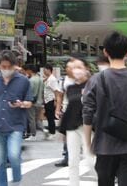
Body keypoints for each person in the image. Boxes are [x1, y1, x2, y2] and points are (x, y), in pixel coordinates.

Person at [83, 31, 127, 186]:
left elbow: (87, 114)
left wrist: (88, 144)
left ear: (105, 51)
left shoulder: (96, 80)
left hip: (104, 146)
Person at [0, 50, 33, 186]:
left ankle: (17, 177)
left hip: (15, 125)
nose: (6, 70)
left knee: (13, 155)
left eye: (9, 67)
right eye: (3, 67)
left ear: (14, 65)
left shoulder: (23, 81)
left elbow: (30, 101)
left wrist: (21, 104)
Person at [60, 58, 94, 186]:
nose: (76, 70)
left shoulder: (93, 85)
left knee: (91, 160)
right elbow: (71, 107)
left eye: (79, 67)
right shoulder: (71, 88)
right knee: (73, 161)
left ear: (86, 68)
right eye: (74, 68)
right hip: (72, 127)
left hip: (89, 127)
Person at [54, 58, 77, 167]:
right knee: (66, 135)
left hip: (81, 111)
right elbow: (59, 96)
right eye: (68, 67)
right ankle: (67, 156)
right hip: (67, 111)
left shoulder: (82, 79)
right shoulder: (63, 80)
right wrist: (58, 109)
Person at [24, 64, 44, 141]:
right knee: (37, 118)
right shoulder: (40, 79)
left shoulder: (31, 80)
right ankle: (44, 130)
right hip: (39, 101)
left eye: (26, 70)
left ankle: (33, 134)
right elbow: (42, 91)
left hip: (32, 102)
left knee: (31, 118)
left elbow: (31, 92)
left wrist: (30, 101)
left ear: (29, 70)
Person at [43, 64, 60, 139]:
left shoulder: (52, 79)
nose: (43, 71)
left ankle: (52, 132)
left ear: (49, 70)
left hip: (51, 100)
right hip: (47, 100)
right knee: (48, 116)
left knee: (50, 117)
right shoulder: (48, 79)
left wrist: (56, 101)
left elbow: (56, 91)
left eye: (45, 70)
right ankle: (51, 131)